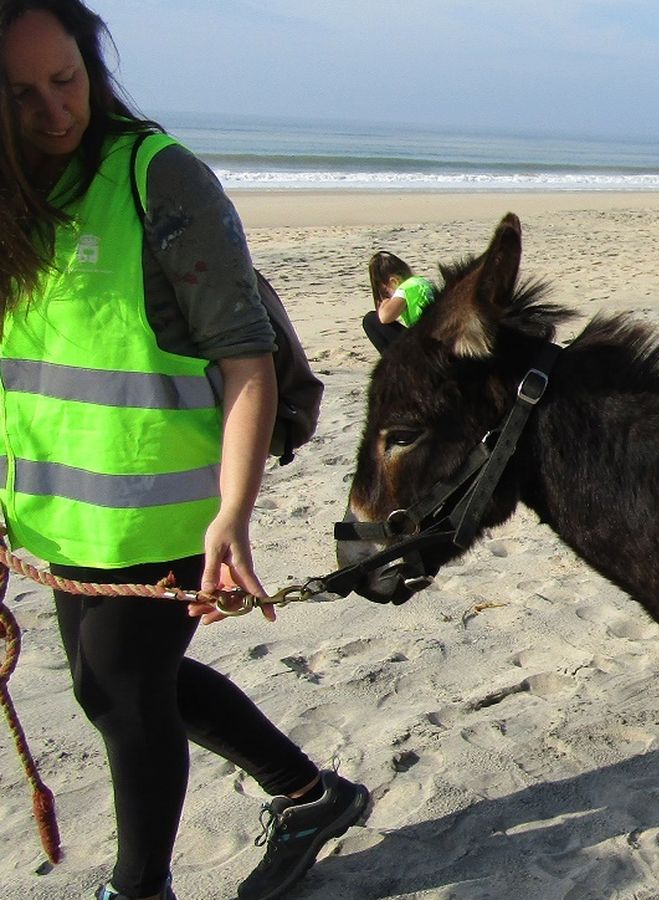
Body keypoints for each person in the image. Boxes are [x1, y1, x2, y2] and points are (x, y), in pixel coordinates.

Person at [0, 3, 369, 899]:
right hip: (54, 511)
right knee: (106, 684)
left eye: (68, 80)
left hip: (168, 511)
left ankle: (140, 889)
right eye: (20, 95)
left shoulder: (157, 181)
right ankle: (310, 794)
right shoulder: (17, 200)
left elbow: (247, 361)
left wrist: (233, 515)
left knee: (126, 698)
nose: (55, 111)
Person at [361, 250, 437, 353]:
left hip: (426, 347)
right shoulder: (423, 282)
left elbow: (384, 318)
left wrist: (385, 303)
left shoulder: (405, 288)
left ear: (394, 281)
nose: (388, 296)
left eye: (386, 291)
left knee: (370, 320)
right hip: (438, 342)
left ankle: (393, 364)